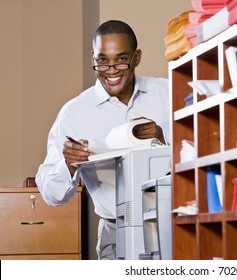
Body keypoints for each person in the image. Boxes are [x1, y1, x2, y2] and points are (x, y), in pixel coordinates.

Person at [35, 20, 170, 260]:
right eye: (102, 60)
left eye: (121, 59)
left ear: (136, 57)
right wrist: (67, 164)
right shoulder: (74, 113)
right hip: (114, 234)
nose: (111, 69)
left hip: (171, 223)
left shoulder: (168, 93)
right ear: (93, 59)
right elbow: (50, 194)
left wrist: (163, 138)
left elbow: (202, 153)